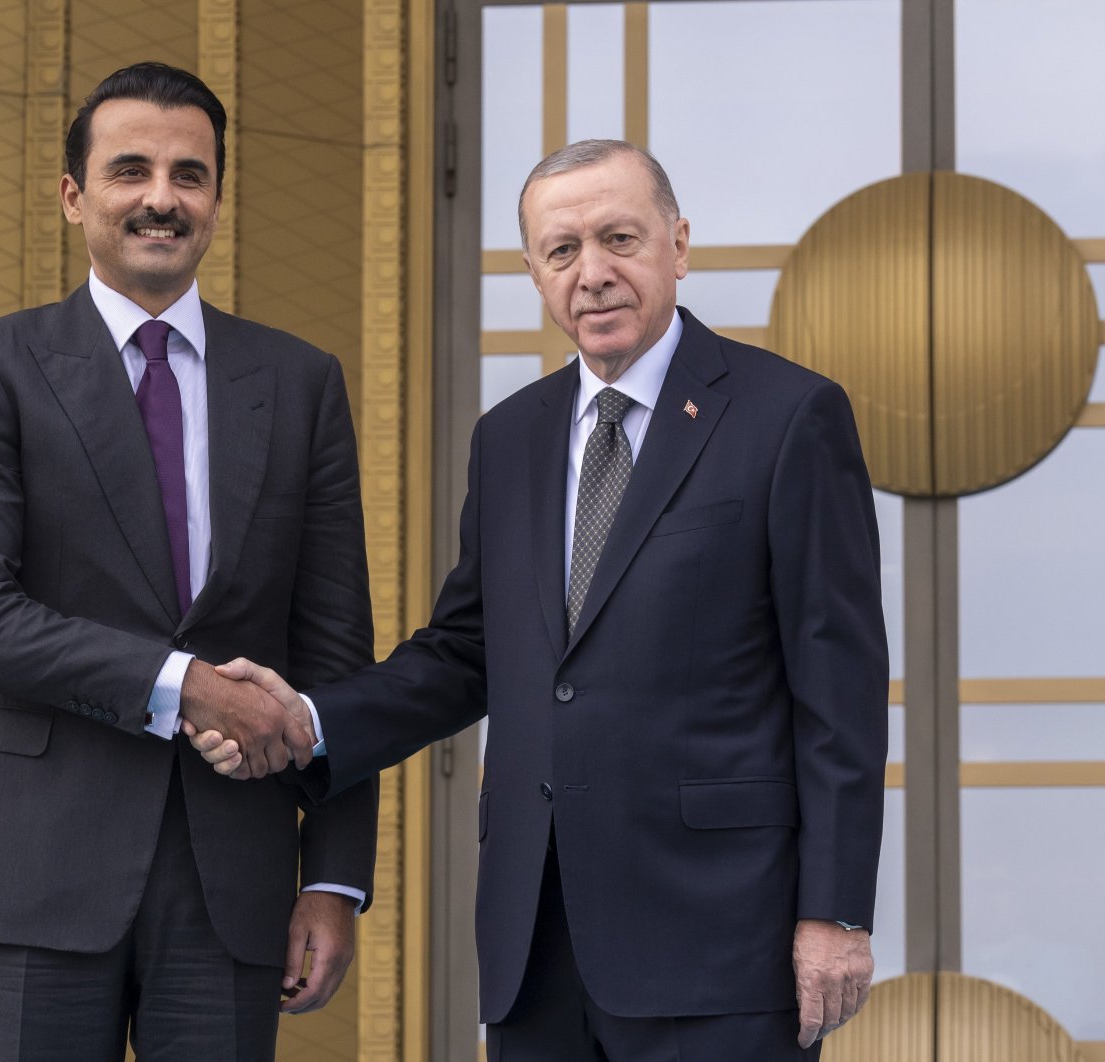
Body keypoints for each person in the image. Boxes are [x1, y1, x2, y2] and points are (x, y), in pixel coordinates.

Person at [190, 139, 889, 1061]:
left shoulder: (788, 417)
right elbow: (466, 653)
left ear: (679, 245)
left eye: (620, 239)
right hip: (536, 946)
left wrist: (833, 912)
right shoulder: (509, 437)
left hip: (721, 944)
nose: (592, 274)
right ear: (533, 272)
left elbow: (838, 690)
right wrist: (313, 719)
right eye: (562, 251)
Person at [0, 61, 378, 1061]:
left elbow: (335, 652)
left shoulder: (299, 384)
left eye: (189, 175)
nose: (162, 198)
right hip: (34, 865)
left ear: (214, 197)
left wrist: (333, 882)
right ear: (75, 197)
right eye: (130, 170)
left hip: (234, 877)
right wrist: (185, 686)